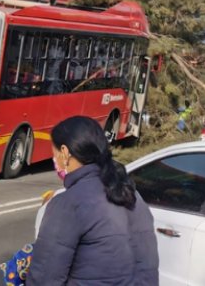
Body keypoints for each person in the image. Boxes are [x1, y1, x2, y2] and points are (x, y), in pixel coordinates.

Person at [27, 116, 158, 285]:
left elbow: (44, 278)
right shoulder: (132, 195)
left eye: (55, 154)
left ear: (65, 153)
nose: (55, 161)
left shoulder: (67, 203)